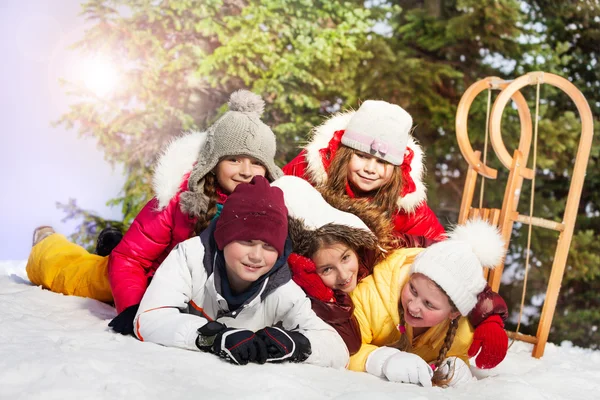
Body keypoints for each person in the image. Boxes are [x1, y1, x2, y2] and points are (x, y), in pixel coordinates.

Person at [26, 90, 282, 335]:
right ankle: (48, 244)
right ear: (213, 162)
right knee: (80, 277)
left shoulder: (272, 210)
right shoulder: (179, 200)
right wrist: (134, 308)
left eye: (257, 162)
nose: (246, 171)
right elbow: (130, 259)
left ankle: (112, 244)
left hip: (187, 293)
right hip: (146, 277)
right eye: (234, 159)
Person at [134, 176, 349, 368]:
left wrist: (295, 344)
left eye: (269, 246)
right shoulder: (190, 258)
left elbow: (338, 351)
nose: (256, 256)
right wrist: (214, 337)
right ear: (224, 236)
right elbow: (149, 318)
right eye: (247, 241)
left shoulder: (282, 289)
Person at [348, 219, 506, 387]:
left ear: (454, 312)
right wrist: (380, 359)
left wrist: (456, 367)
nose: (413, 306)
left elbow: (457, 355)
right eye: (413, 289)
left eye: (429, 304)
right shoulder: (371, 297)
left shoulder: (462, 332)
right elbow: (344, 347)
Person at [282, 99, 445, 241]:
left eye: (382, 162)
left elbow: (439, 247)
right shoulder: (307, 170)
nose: (370, 169)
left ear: (396, 168)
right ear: (344, 154)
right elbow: (271, 200)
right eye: (362, 156)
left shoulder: (404, 202)